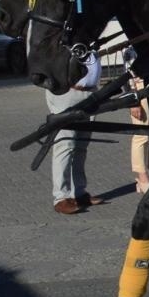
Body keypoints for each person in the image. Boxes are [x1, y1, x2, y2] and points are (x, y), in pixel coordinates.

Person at [49, 50, 102, 215]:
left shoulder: (89, 36)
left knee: (81, 146)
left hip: (89, 93)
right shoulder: (65, 35)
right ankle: (61, 197)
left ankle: (78, 193)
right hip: (67, 93)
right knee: (66, 144)